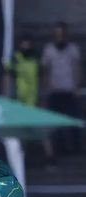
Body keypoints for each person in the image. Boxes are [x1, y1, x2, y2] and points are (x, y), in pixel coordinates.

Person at [2, 33, 56, 166]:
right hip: (19, 102)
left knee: (43, 130)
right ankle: (22, 159)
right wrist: (6, 98)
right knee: (21, 132)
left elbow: (43, 79)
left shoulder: (37, 59)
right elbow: (7, 79)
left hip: (35, 101)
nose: (26, 47)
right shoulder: (14, 59)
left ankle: (50, 158)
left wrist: (44, 97)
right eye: (24, 44)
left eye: (29, 44)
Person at [41, 22, 82, 155]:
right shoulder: (48, 50)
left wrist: (76, 86)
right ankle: (59, 149)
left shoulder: (73, 49)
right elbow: (46, 71)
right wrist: (46, 90)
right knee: (55, 123)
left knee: (73, 121)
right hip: (54, 91)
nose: (60, 36)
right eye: (58, 34)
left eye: (62, 34)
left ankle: (76, 149)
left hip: (69, 90)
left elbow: (77, 68)